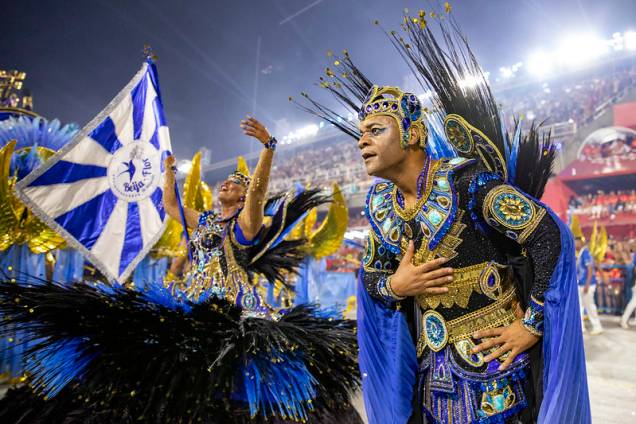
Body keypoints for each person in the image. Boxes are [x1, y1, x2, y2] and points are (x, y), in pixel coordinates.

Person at [298, 7, 590, 423]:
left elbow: (547, 237)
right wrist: (397, 285)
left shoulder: (469, 184)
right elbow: (372, 279)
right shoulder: (381, 208)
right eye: (361, 133)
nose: (362, 141)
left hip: (497, 375)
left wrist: (533, 323)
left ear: (413, 134)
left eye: (375, 130)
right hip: (431, 379)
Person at [0, 117, 362, 423]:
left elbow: (259, 191)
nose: (228, 184)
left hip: (231, 301)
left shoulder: (244, 224)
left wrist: (268, 147)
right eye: (228, 181)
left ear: (242, 195)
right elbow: (170, 204)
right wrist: (169, 172)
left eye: (235, 183)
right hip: (193, 294)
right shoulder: (203, 219)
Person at [575, 234, 604, 334]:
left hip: (587, 284)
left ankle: (597, 326)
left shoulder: (586, 252)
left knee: (590, 306)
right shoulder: (580, 253)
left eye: (576, 242)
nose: (575, 244)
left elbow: (590, 269)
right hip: (581, 284)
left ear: (580, 242)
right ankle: (581, 327)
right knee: (581, 306)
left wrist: (587, 283)